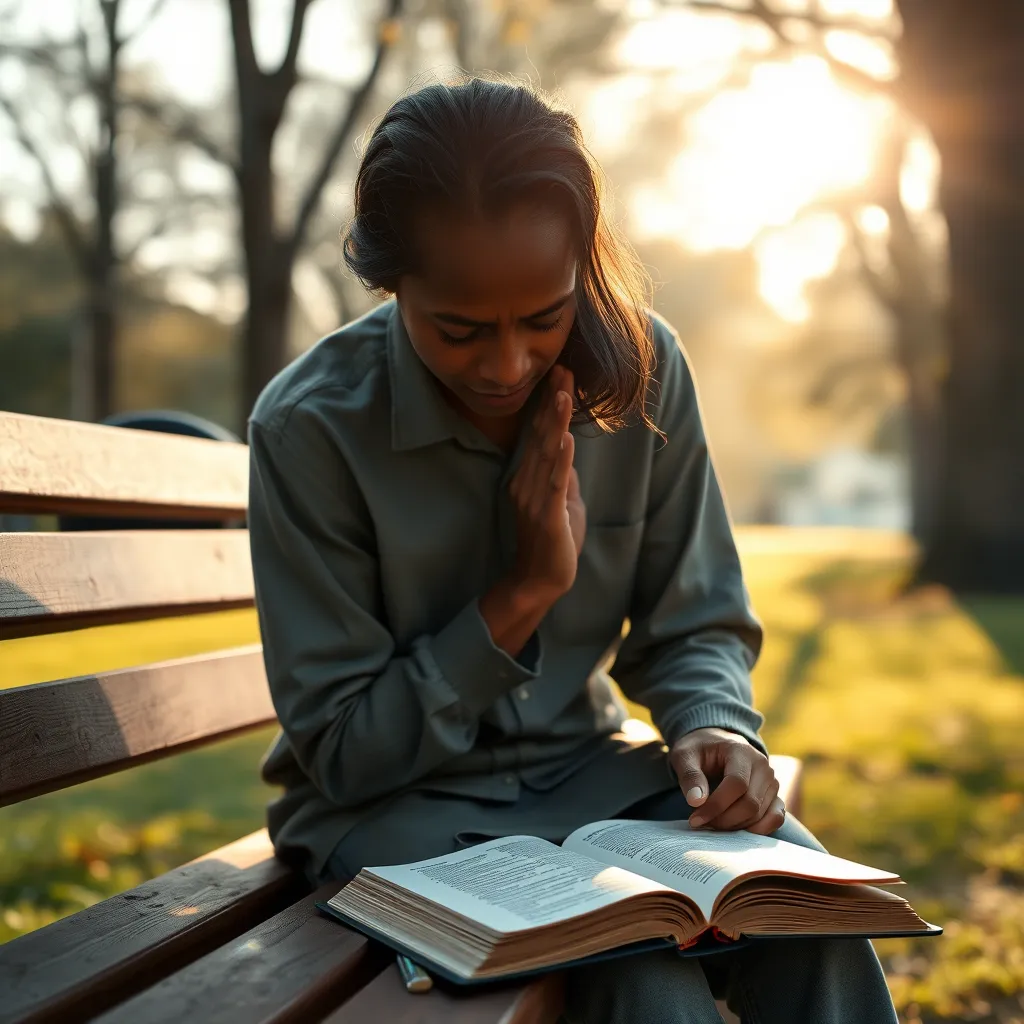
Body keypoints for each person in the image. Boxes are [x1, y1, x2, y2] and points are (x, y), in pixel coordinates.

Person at [247, 76, 898, 1024]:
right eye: (459, 330)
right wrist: (525, 591)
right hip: (399, 810)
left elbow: (695, 617)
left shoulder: (646, 370)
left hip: (594, 777)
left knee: (815, 921)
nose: (507, 365)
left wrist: (716, 724)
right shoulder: (310, 430)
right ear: (392, 286)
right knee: (641, 978)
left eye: (543, 317)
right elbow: (344, 753)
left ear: (583, 269)